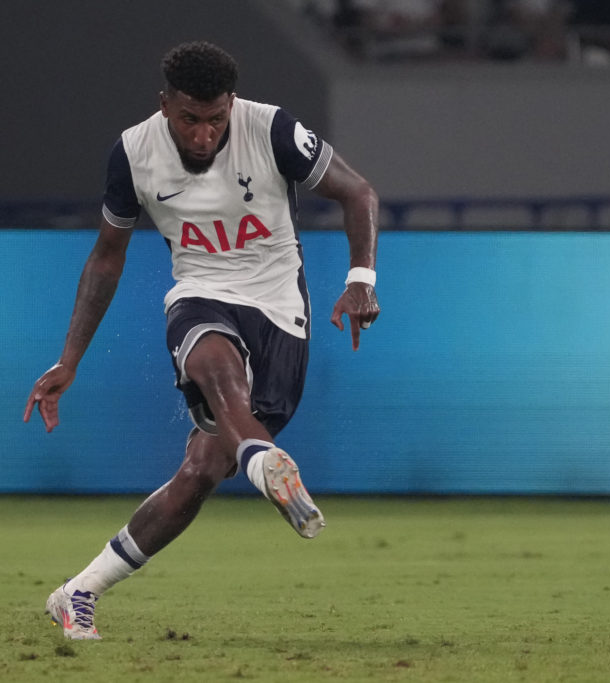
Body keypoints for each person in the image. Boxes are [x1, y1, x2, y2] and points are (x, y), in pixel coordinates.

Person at [24, 41, 380, 640]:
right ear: (165, 105)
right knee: (214, 361)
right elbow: (107, 258)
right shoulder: (133, 152)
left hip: (281, 311)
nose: (203, 134)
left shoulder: (271, 129)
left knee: (198, 471)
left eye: (215, 119)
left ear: (230, 105)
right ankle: (260, 457)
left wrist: (361, 279)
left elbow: (359, 193)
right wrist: (70, 359)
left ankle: (78, 591)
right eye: (189, 118)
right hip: (201, 292)